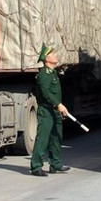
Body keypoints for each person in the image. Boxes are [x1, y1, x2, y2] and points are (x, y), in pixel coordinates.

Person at [30, 44, 71, 177]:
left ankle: (55, 164)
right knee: (43, 139)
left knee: (56, 138)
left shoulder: (53, 73)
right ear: (47, 59)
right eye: (53, 54)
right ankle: (36, 167)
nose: (56, 55)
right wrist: (58, 104)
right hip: (46, 111)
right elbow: (46, 93)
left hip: (54, 110)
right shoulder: (43, 75)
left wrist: (59, 107)